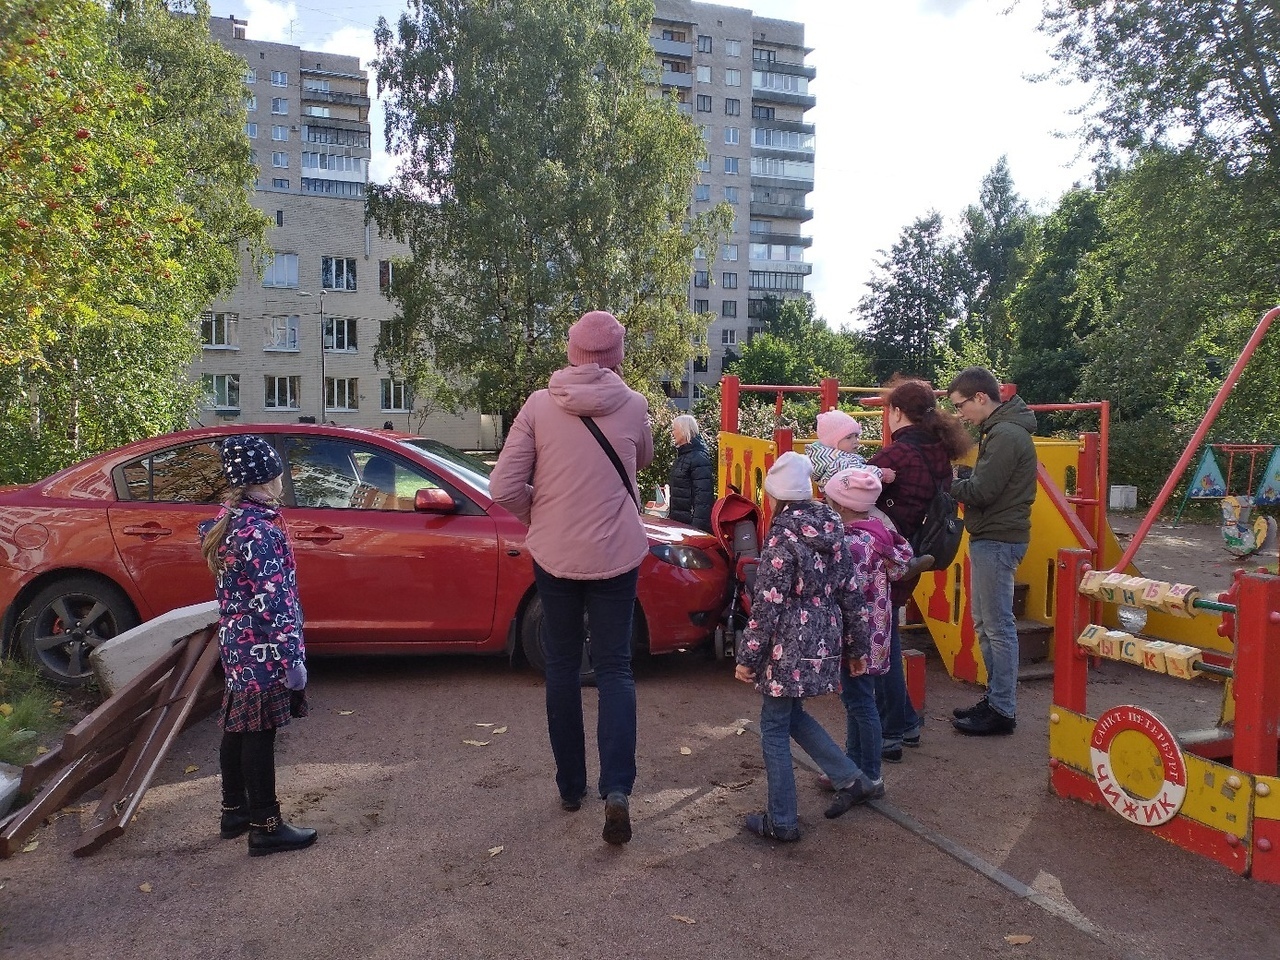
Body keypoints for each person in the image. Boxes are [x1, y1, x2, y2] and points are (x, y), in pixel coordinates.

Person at [489, 310, 653, 845]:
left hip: (554, 555)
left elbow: (503, 485)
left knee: (560, 665)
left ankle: (569, 786)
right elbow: (643, 460)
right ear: (616, 356)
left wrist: (542, 516)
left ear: (571, 351)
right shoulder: (633, 406)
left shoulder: (539, 405)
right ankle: (618, 791)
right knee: (614, 671)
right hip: (616, 553)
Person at [734, 451, 878, 842]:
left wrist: (747, 657)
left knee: (774, 726)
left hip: (787, 641)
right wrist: (856, 648)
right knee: (791, 715)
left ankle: (781, 820)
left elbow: (767, 603)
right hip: (825, 633)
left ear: (776, 496)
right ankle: (851, 778)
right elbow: (851, 592)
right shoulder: (833, 527)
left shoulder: (782, 535)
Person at [199, 435, 316, 857]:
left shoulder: (230, 521)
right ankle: (266, 825)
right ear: (266, 479)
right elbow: (274, 602)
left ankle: (235, 810)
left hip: (236, 643)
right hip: (262, 648)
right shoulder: (260, 532)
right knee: (259, 732)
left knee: (238, 725)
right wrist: (293, 659)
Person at [869, 378, 973, 760]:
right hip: (915, 552)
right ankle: (905, 721)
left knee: (879, 642)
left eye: (888, 410)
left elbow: (854, 487)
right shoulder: (939, 454)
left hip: (887, 557)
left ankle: (894, 728)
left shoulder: (897, 455)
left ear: (896, 413)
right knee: (889, 637)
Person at [945, 367, 1038, 736]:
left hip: (997, 537)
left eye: (961, 405)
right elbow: (988, 483)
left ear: (981, 398)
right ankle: (997, 700)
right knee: (987, 625)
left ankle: (1002, 708)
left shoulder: (1005, 435)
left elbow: (984, 492)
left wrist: (950, 485)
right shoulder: (1001, 431)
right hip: (994, 534)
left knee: (996, 627)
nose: (960, 415)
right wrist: (967, 478)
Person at [823, 467, 920, 796]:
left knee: (861, 702)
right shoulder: (878, 537)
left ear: (842, 506)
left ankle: (871, 776)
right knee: (857, 699)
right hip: (877, 633)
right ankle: (852, 768)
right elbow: (902, 562)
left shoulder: (847, 543)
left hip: (853, 635)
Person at [805, 409, 894, 491]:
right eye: (848, 437)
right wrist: (881, 473)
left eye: (856, 436)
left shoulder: (826, 459)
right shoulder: (840, 461)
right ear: (832, 442)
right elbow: (860, 473)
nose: (855, 441)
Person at [667, 414, 714, 531]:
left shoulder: (698, 458)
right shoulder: (684, 456)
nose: (672, 433)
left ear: (683, 431)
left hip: (690, 527)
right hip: (680, 523)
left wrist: (697, 529)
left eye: (674, 429)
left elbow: (703, 497)